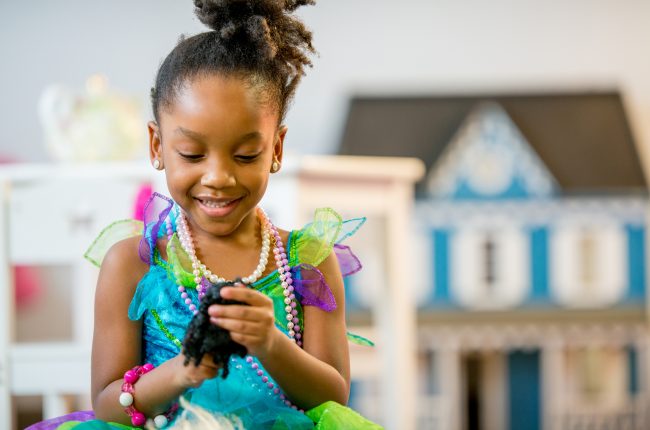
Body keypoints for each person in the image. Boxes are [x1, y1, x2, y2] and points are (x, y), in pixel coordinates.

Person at [29, 1, 380, 429]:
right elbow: (108, 403)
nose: (218, 177)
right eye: (192, 154)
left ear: (276, 150)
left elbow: (333, 396)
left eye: (246, 154)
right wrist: (182, 372)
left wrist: (270, 343)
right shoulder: (132, 265)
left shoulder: (307, 262)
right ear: (157, 146)